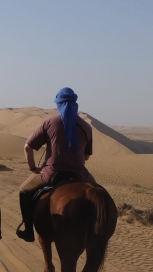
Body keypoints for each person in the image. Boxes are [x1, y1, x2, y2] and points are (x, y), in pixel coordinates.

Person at [16, 87, 96, 243]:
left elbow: (28, 147)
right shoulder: (86, 127)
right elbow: (86, 156)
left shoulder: (48, 123)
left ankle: (28, 230)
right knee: (99, 194)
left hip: (51, 174)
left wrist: (33, 168)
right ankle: (96, 233)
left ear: (59, 105)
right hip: (79, 175)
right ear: (75, 104)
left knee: (24, 191)